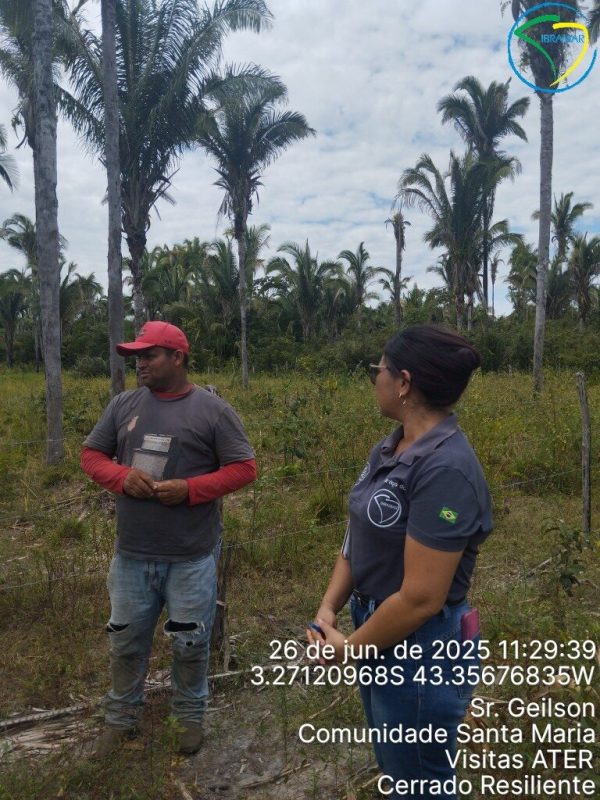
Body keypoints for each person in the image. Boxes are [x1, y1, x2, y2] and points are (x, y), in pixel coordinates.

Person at [308, 325, 492, 800]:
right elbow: (359, 534)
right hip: (377, 630)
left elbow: (420, 599)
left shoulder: (445, 469)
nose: (376, 379)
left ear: (404, 382)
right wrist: (328, 608)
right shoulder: (391, 447)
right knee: (398, 767)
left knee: (418, 782)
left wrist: (350, 650)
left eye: (380, 370)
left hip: (421, 646)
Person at [81, 321, 256, 756]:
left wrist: (190, 490)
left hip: (190, 556)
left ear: (177, 357)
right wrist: (121, 477)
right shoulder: (123, 404)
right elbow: (91, 455)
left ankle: (188, 717)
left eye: (149, 355)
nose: (140, 364)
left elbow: (244, 468)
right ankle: (121, 719)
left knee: (190, 643)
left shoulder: (212, 411)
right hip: (132, 555)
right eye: (136, 357)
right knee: (125, 641)